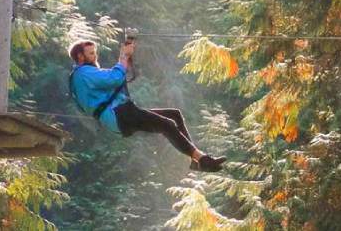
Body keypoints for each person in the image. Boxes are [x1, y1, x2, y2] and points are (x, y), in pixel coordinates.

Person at [67, 38, 226, 172]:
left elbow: (114, 76)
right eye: (91, 53)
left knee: (174, 115)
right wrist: (124, 56)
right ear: (80, 57)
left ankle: (195, 159)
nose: (95, 57)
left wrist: (125, 58)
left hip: (121, 113)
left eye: (95, 53)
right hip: (119, 114)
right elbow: (114, 77)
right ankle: (202, 160)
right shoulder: (84, 73)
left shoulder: (84, 75)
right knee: (167, 124)